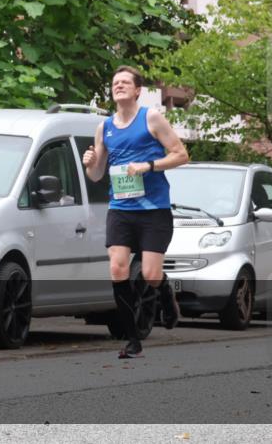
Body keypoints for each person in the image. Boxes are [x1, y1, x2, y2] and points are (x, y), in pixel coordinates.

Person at [82, 65, 189, 358]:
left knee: (151, 274)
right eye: (115, 82)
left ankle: (165, 295)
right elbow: (96, 174)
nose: (119, 86)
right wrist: (90, 161)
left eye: (125, 82)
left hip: (154, 209)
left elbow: (181, 155)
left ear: (137, 90)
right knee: (117, 268)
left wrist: (149, 165)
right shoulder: (104, 127)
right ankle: (132, 340)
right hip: (121, 207)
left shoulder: (151, 117)